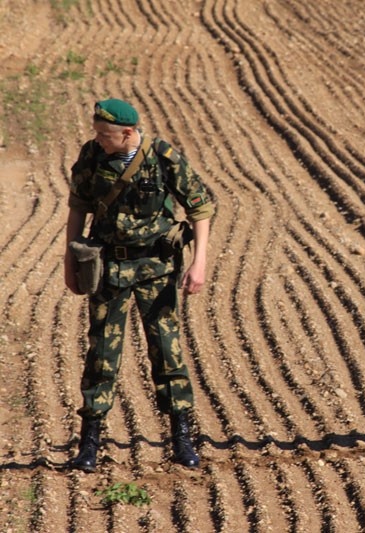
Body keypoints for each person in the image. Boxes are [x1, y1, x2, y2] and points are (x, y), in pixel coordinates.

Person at [64, 99, 214, 471]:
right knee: (101, 355)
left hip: (156, 267)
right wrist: (70, 259)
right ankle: (90, 444)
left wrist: (199, 263)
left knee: (167, 351)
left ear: (128, 133)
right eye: (97, 133)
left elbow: (200, 208)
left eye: (105, 135)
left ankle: (181, 438)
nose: (98, 140)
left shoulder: (163, 157)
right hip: (108, 267)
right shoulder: (92, 156)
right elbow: (78, 207)